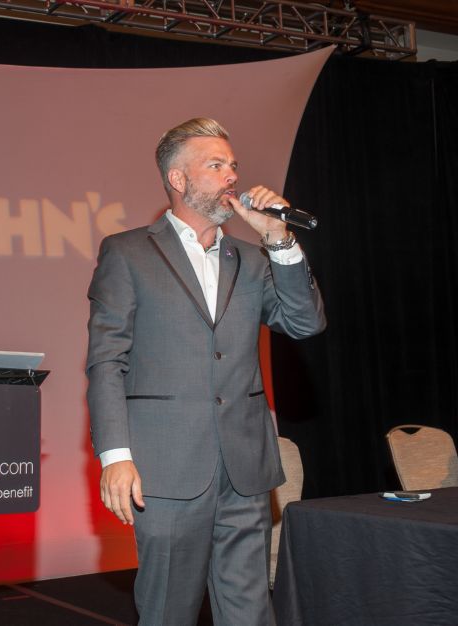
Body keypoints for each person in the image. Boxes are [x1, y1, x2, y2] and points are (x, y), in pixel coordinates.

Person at [86, 117, 326, 625]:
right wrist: (115, 456)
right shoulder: (128, 252)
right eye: (215, 165)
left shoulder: (253, 258)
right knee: (168, 612)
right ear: (178, 179)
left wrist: (278, 237)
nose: (231, 176)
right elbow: (107, 361)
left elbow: (304, 323)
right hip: (166, 470)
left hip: (245, 469)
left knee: (249, 613)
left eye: (232, 165)